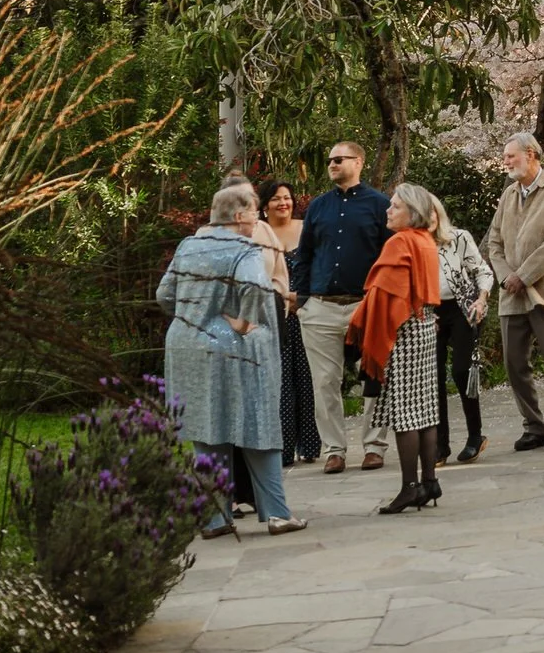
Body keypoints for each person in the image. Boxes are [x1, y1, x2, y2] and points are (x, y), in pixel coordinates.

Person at [156, 181, 307, 539]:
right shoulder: (244, 248)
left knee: (207, 429)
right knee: (257, 424)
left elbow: (165, 294)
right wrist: (243, 322)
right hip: (235, 349)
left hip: (185, 345)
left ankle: (214, 517)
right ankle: (277, 514)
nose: (257, 219)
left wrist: (193, 312)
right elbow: (254, 289)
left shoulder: (188, 246)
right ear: (240, 215)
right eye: (254, 211)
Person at [288, 142, 392, 474]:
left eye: (339, 159)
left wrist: (384, 302)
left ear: (358, 162)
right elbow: (304, 256)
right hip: (320, 308)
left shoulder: (379, 205)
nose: (331, 164)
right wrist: (302, 301)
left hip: (366, 306)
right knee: (324, 382)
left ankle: (374, 446)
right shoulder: (318, 207)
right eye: (329, 160)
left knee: (375, 379)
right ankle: (335, 450)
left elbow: (391, 257)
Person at [482, 131, 544, 451]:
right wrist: (506, 277)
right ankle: (534, 426)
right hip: (511, 293)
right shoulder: (509, 195)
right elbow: (494, 243)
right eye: (505, 156)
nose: (506, 161)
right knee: (514, 363)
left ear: (531, 154)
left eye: (511, 155)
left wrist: (523, 276)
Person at [347, 181, 443, 513]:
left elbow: (386, 296)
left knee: (405, 415)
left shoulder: (400, 242)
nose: (388, 210)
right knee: (426, 411)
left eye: (395, 206)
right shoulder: (426, 240)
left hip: (403, 331)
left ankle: (409, 487)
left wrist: (360, 326)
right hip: (426, 326)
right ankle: (429, 481)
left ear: (412, 212)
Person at [259, 179, 319, 469]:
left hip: (306, 311)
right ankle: (283, 449)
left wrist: (302, 297)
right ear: (264, 205)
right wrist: (281, 298)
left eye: (287, 198)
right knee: (281, 382)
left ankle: (310, 445)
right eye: (276, 199)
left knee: (308, 380)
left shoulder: (306, 229)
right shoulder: (259, 234)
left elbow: (320, 264)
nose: (283, 203)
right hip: (272, 315)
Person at [431, 197, 494, 464]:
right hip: (430, 312)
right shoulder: (413, 244)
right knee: (433, 379)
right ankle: (439, 445)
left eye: (430, 213)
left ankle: (475, 436)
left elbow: (482, 271)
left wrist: (481, 299)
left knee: (461, 371)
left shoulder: (458, 238)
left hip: (462, 309)